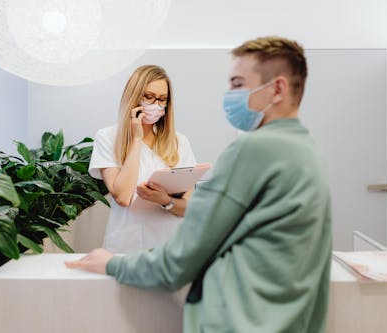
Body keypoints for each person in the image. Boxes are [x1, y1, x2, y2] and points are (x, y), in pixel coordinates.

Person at [68, 36, 332, 333]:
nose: (229, 94)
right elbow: (123, 196)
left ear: (278, 88)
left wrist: (113, 264)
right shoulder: (310, 150)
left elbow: (185, 255)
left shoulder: (250, 150)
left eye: (237, 83)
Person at [88, 65, 197, 254]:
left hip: (170, 246)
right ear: (134, 96)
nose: (155, 104)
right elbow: (122, 196)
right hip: (128, 245)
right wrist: (137, 139)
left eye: (162, 99)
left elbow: (189, 207)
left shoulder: (179, 142)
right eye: (148, 96)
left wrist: (165, 201)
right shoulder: (107, 137)